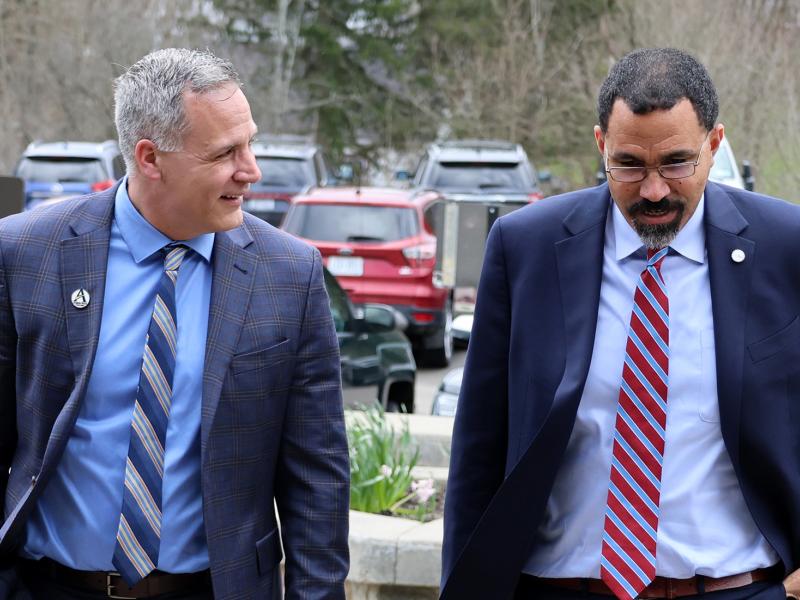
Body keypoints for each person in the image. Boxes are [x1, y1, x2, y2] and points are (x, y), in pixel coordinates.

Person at [441, 47, 800, 600]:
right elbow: (479, 451)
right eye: (629, 165)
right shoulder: (526, 248)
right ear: (600, 145)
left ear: (715, 144)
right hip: (561, 589)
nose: (653, 191)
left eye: (677, 163)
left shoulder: (785, 247)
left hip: (732, 589)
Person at [0, 48, 349, 600]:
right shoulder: (25, 252)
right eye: (224, 152)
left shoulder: (289, 273)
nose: (251, 169)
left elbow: (317, 477)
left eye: (250, 143)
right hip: (49, 586)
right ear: (150, 158)